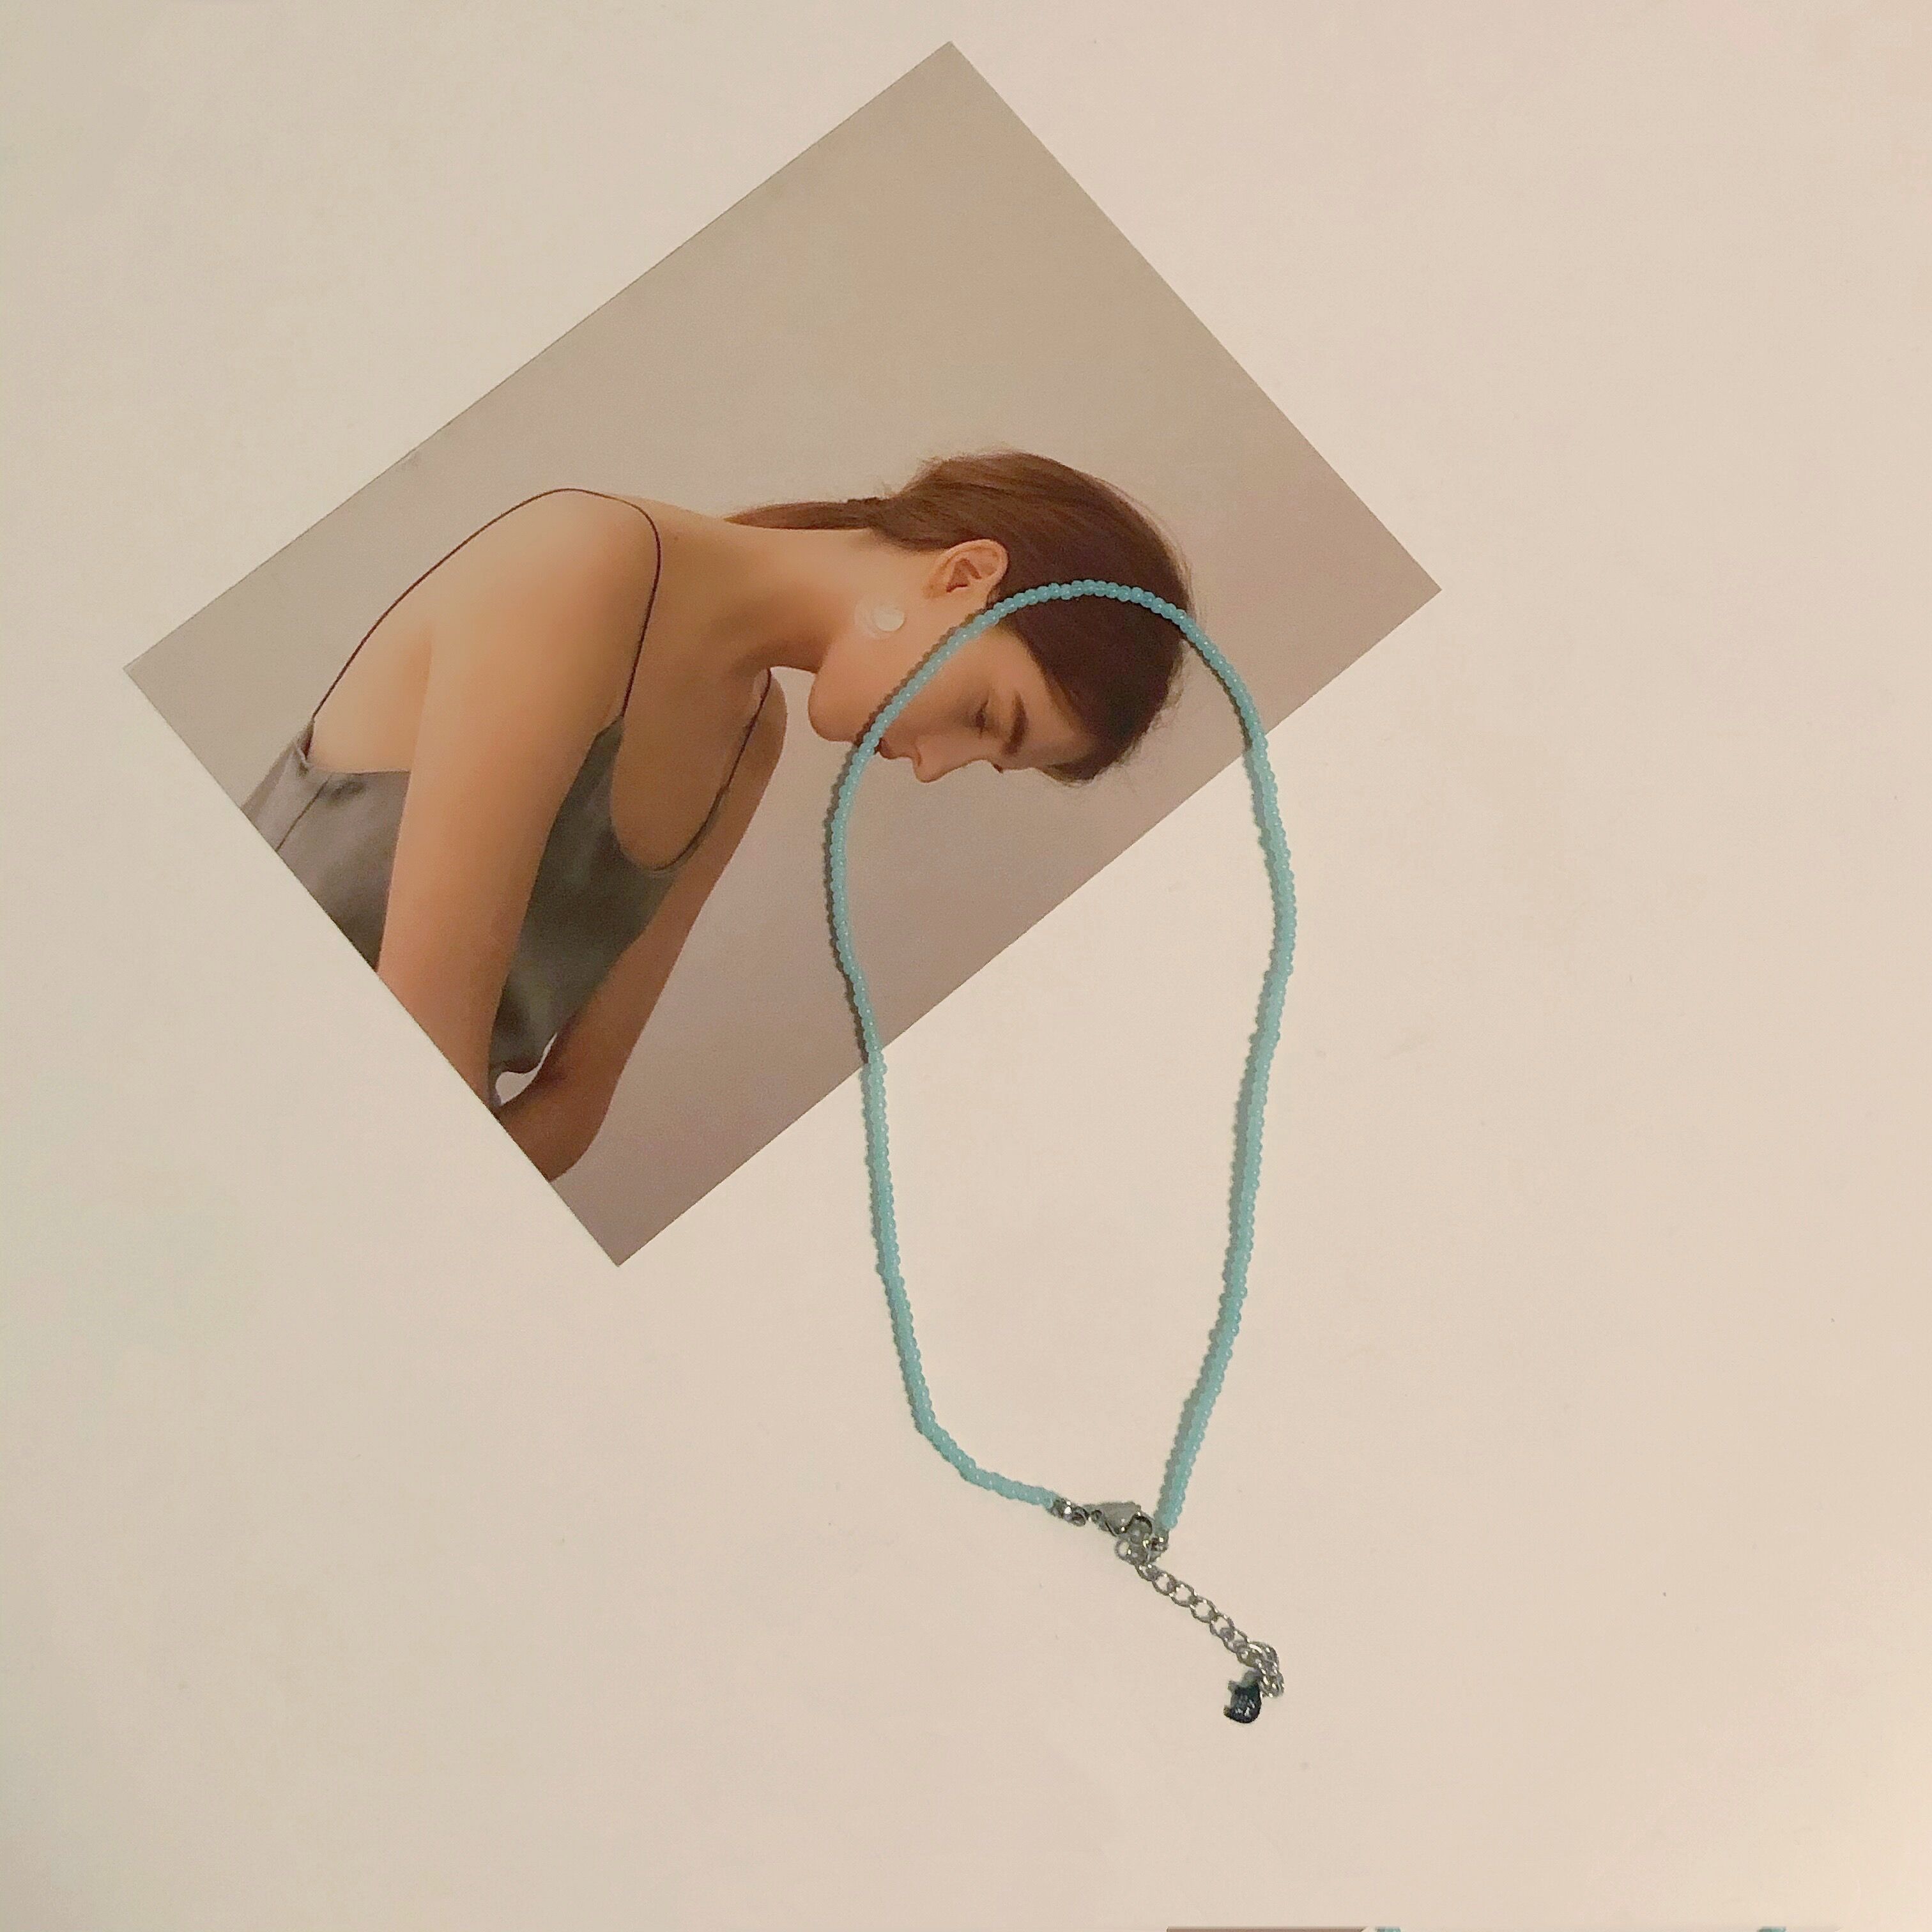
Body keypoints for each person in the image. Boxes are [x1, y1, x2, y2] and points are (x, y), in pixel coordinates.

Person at [243, 449, 1194, 1178]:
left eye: (988, 763)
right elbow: (423, 1038)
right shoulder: (581, 561)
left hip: (373, 1183)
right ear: (962, 576)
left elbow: (575, 1103)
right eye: (986, 717)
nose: (939, 767)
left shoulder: (749, 742)